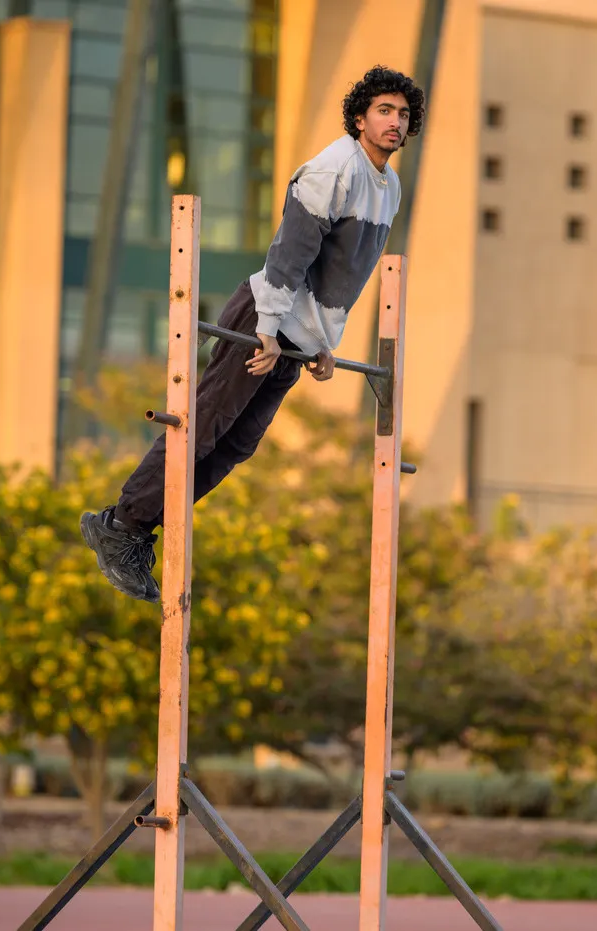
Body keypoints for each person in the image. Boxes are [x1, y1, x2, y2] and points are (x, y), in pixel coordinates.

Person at [80, 65, 425, 603]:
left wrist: (322, 344)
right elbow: (291, 253)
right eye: (384, 110)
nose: (395, 122)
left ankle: (138, 528)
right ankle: (122, 525)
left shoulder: (389, 186)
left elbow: (344, 276)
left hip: (297, 335)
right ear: (360, 118)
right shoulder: (334, 168)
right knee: (203, 427)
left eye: (403, 114)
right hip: (265, 318)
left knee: (238, 443)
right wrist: (266, 329)